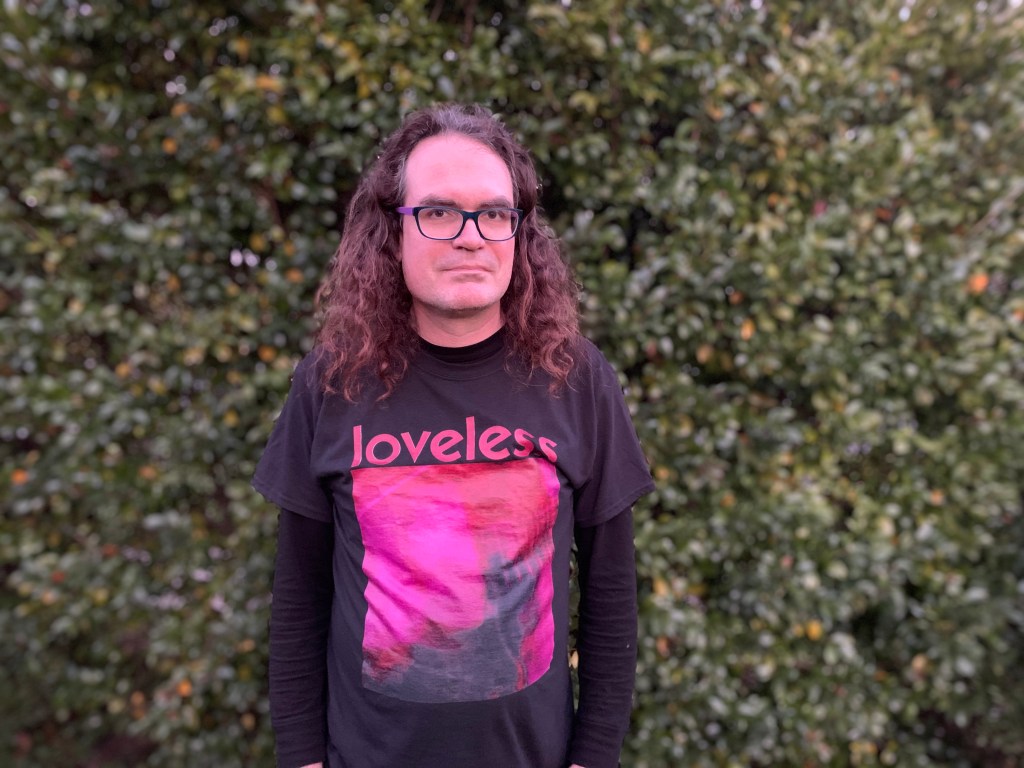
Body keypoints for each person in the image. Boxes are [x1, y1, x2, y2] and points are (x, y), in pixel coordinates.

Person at [253, 103, 654, 768]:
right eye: (439, 212)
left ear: (519, 233)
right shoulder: (332, 381)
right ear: (394, 231)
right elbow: (299, 595)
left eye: (494, 214)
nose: (471, 236)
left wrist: (594, 757)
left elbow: (611, 594)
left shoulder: (576, 378)